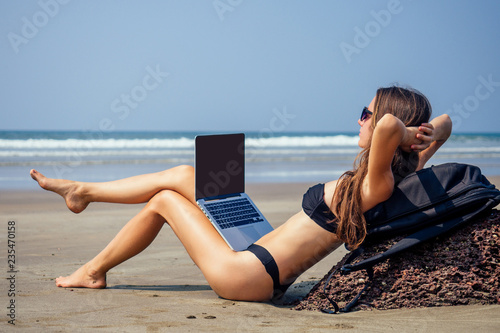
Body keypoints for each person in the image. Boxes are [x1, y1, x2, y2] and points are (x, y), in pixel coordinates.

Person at [30, 86, 452, 302]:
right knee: (183, 173)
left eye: (366, 112)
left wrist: (405, 131)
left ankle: (92, 271)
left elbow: (387, 129)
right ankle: (82, 191)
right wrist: (422, 134)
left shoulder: (375, 183)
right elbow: (445, 124)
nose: (360, 120)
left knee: (163, 201)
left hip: (249, 277)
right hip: (257, 249)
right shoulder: (399, 168)